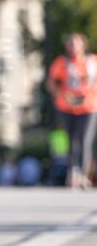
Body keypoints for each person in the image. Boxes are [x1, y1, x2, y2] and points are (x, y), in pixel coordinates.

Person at [46, 33, 97, 189]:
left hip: (89, 106)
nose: (73, 47)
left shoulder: (92, 61)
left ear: (83, 45)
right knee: (72, 141)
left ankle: (83, 174)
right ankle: (73, 173)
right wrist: (62, 94)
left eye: (76, 43)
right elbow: (51, 83)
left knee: (85, 140)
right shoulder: (61, 63)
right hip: (67, 107)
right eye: (70, 44)